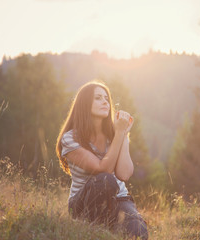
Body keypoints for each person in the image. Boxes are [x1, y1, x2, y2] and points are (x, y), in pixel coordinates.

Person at [56, 81, 148, 239]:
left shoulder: (115, 133)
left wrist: (123, 135)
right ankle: (95, 230)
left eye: (106, 98)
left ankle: (110, 226)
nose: (105, 101)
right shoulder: (70, 138)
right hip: (83, 201)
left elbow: (124, 174)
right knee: (105, 179)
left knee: (138, 234)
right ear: (85, 104)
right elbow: (103, 169)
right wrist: (119, 133)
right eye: (98, 98)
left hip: (120, 199)